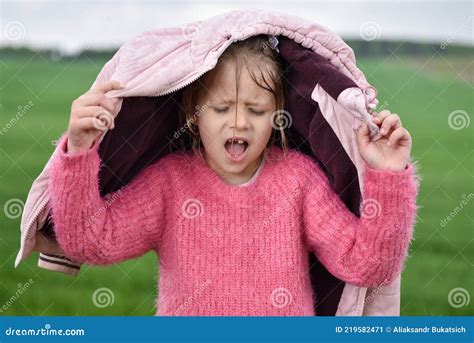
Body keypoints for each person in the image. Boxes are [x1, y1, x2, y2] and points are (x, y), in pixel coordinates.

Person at [48, 35, 419, 316]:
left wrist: (387, 175)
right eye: (221, 108)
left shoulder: (297, 181)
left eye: (256, 110)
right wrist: (79, 152)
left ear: (277, 115)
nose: (239, 122)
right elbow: (89, 241)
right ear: (195, 112)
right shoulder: (170, 184)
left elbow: (369, 266)